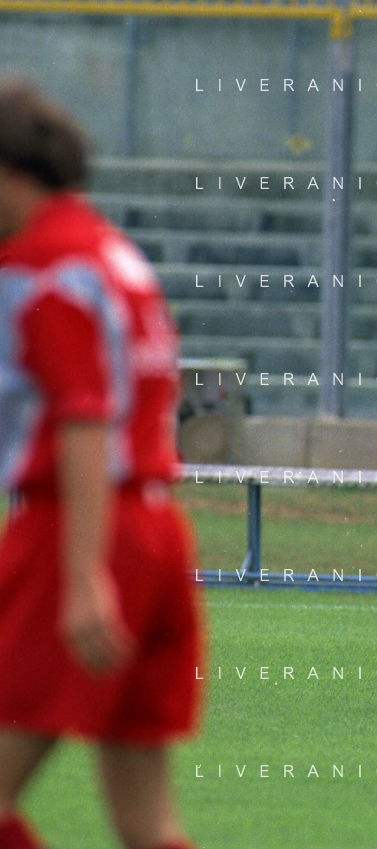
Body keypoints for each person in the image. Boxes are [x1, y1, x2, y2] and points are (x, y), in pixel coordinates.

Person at [0, 79, 203, 849]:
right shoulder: (110, 252)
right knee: (148, 822)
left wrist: (84, 573)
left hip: (77, 529)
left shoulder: (44, 265)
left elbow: (83, 415)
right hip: (155, 530)